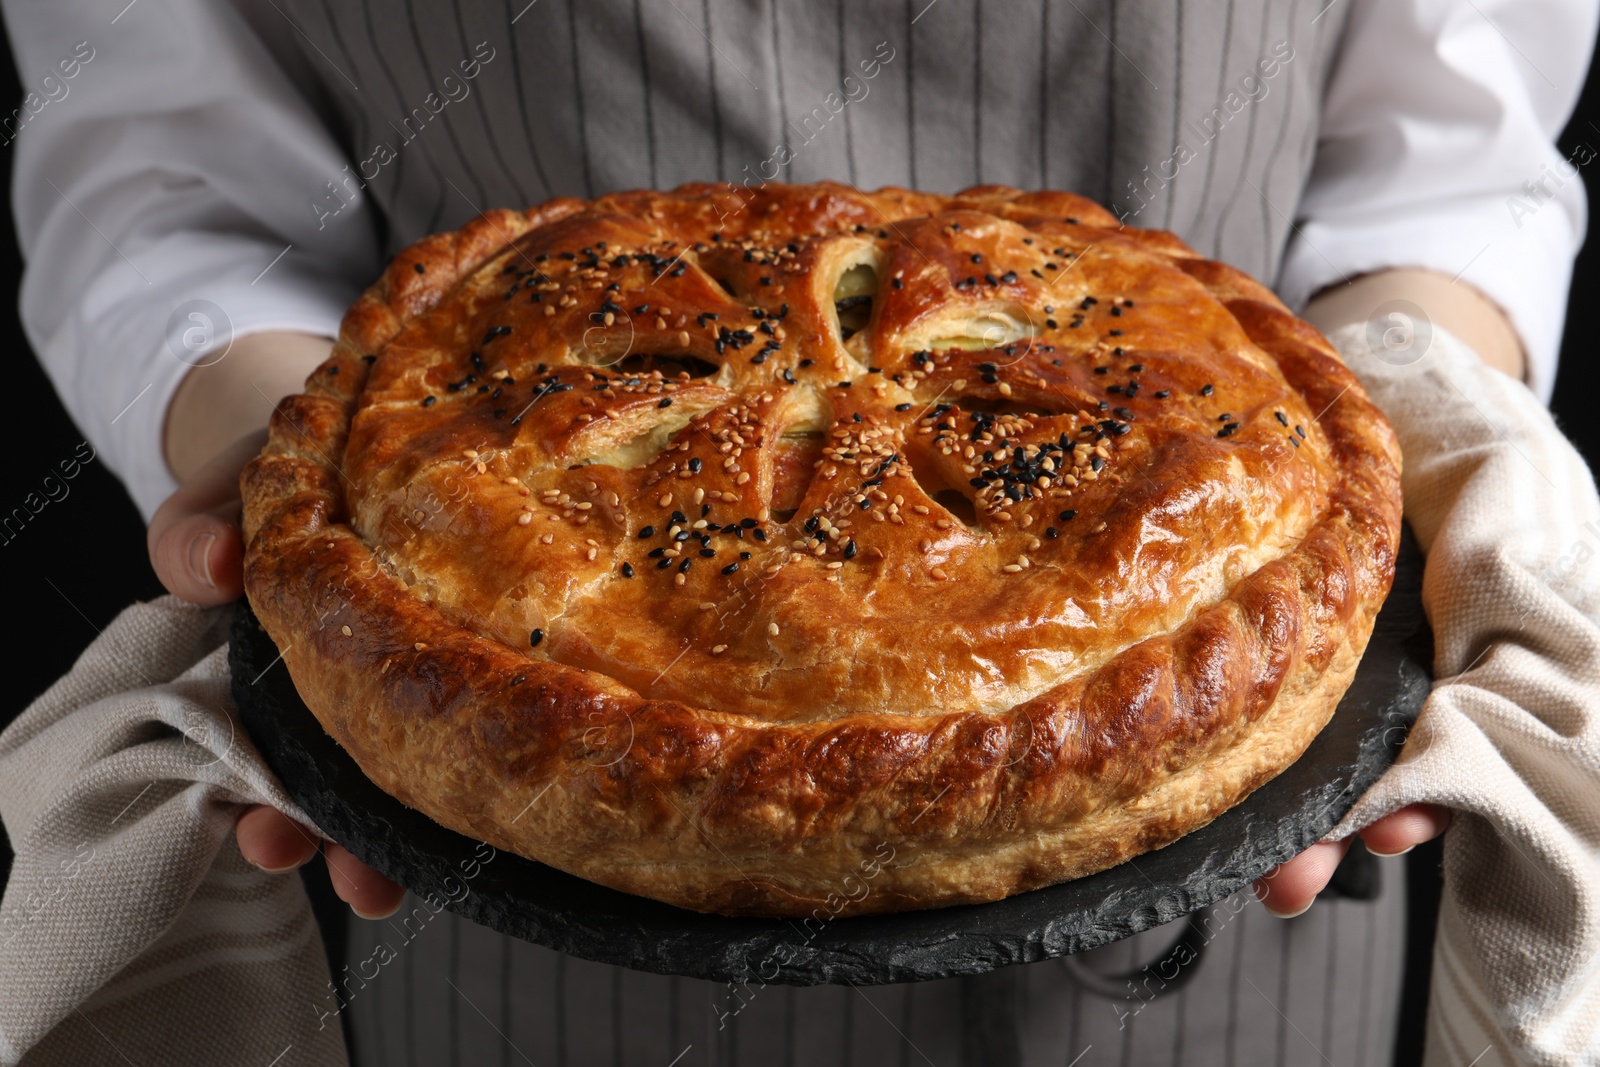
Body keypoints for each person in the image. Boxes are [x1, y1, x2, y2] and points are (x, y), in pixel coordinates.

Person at [2, 0, 1594, 1063]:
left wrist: (1426, 411)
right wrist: (256, 441)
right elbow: (167, 175)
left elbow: (1445, 158)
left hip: (1236, 976)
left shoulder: (1269, 551)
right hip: (519, 984)